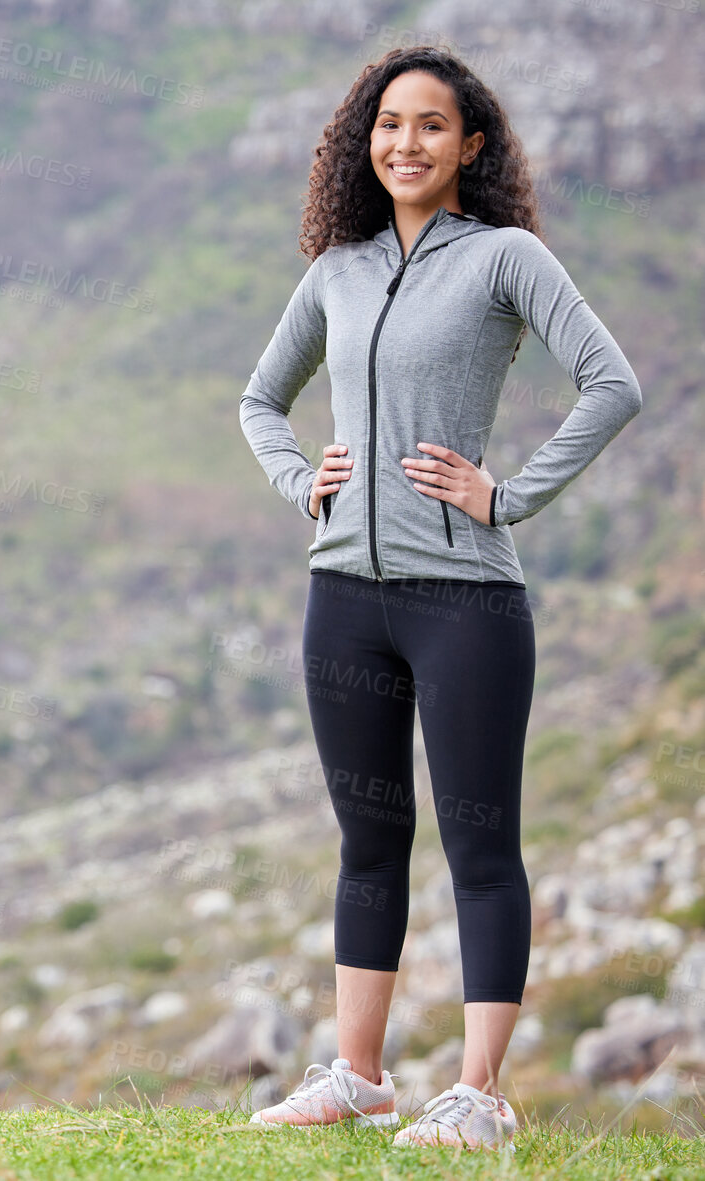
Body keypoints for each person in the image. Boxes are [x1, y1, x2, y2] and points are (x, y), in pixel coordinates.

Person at [236, 45, 641, 1152]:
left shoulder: (507, 258)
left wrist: (506, 495)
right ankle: (359, 1074)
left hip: (465, 598)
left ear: (471, 145)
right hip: (343, 598)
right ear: (363, 141)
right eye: (387, 123)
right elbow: (261, 400)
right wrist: (298, 481)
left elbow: (615, 383)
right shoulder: (337, 269)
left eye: (429, 125)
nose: (404, 142)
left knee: (480, 842)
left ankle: (480, 1092)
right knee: (368, 839)